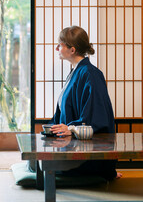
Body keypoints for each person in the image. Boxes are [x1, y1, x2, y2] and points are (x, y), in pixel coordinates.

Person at [49, 25, 122, 180]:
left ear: (72, 50)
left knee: (42, 166)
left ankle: (102, 171)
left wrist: (71, 128)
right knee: (36, 163)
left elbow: (97, 116)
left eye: (60, 45)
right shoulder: (76, 71)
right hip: (70, 145)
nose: (56, 49)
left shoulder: (90, 74)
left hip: (85, 152)